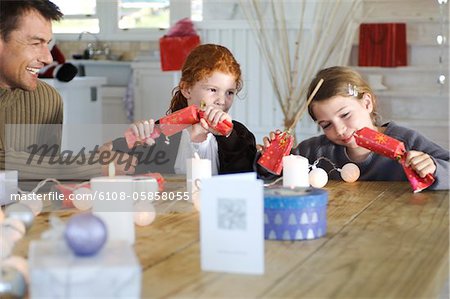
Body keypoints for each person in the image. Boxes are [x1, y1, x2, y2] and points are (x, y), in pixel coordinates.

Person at [259, 66, 449, 190]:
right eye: (326, 125)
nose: (340, 130)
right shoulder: (314, 151)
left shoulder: (406, 141)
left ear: (367, 103)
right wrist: (269, 160)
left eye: (345, 115)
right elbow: (273, 177)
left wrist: (434, 167)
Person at [0, 0, 128, 181]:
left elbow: (46, 176)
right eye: (36, 43)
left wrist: (99, 159)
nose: (48, 58)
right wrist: (87, 165)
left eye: (48, 44)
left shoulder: (46, 99)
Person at [111, 44, 257, 175]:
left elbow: (247, 177)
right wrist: (136, 140)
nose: (222, 100)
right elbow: (111, 159)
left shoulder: (239, 135)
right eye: (213, 90)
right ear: (186, 89)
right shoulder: (161, 131)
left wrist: (229, 138)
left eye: (229, 92)